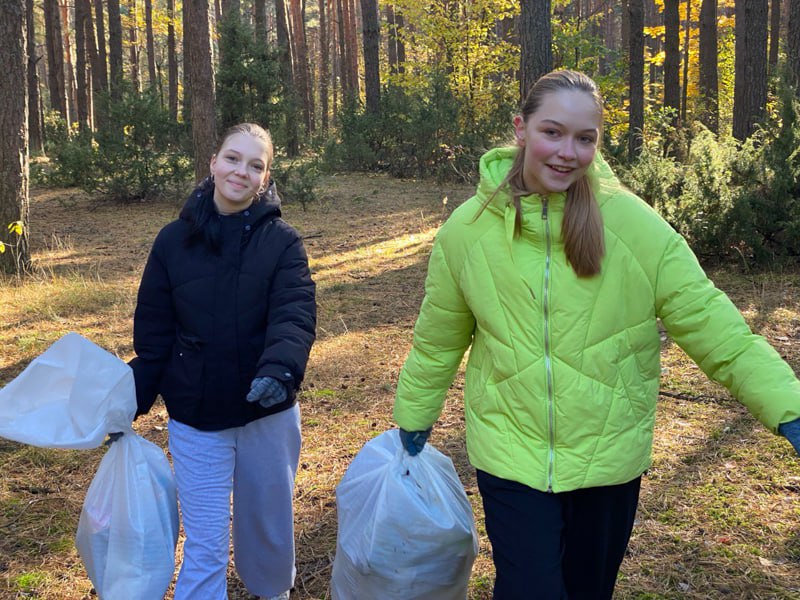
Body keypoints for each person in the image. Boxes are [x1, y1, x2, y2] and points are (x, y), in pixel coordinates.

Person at [392, 70, 800, 600]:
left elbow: (714, 325)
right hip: (509, 452)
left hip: (609, 458)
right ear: (521, 129)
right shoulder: (468, 229)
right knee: (529, 590)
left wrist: (786, 405)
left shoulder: (633, 225)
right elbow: (439, 338)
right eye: (553, 132)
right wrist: (413, 415)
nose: (568, 152)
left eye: (585, 139)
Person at [129, 123, 316, 600]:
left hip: (267, 417)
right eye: (233, 159)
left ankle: (274, 593)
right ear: (213, 163)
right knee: (206, 543)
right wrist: (128, 398)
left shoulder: (283, 242)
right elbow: (154, 333)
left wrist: (281, 371)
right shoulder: (172, 241)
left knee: (268, 536)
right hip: (197, 416)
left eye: (256, 165)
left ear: (266, 177)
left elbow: (294, 314)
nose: (242, 171)